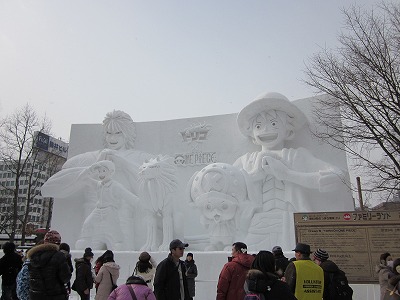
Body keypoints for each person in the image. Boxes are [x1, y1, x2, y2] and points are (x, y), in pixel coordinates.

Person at [234, 93, 345, 250]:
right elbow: (228, 191)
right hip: (257, 224)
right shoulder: (245, 161)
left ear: (289, 130)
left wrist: (288, 175)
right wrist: (252, 177)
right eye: (258, 126)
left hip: (291, 222)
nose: (266, 130)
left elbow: (337, 176)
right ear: (251, 134)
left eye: (274, 124)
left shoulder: (297, 155)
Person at [41, 110, 154, 250]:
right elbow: (49, 188)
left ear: (127, 134)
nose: (113, 138)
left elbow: (149, 189)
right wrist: (89, 171)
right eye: (109, 133)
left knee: (122, 252)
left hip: (122, 221)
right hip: (93, 219)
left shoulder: (140, 158)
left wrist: (124, 164)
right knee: (86, 251)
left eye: (118, 133)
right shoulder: (87, 158)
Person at [27, 230, 72, 300]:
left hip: (35, 295)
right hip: (54, 295)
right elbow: (65, 277)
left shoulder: (34, 256)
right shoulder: (59, 256)